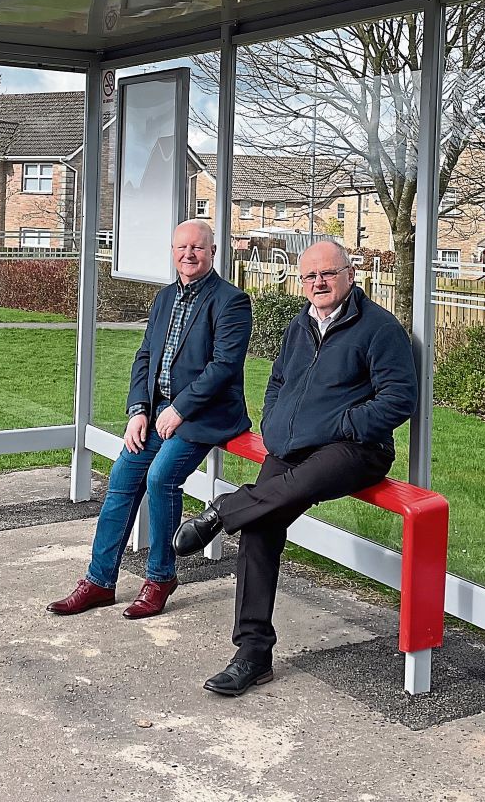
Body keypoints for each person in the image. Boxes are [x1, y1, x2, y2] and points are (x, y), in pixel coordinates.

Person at [173, 239, 416, 695]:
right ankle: (252, 654)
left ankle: (224, 509)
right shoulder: (298, 326)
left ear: (350, 274)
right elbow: (278, 380)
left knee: (254, 509)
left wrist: (343, 424)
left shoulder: (380, 329)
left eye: (328, 273)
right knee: (260, 527)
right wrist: (275, 421)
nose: (318, 283)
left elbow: (399, 400)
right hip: (292, 447)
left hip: (355, 449)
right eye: (309, 276)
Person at [48, 219, 252, 620]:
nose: (188, 254)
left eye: (197, 247)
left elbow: (225, 366)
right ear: (173, 252)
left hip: (202, 416)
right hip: (157, 414)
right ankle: (99, 580)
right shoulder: (163, 299)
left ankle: (160, 577)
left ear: (213, 252)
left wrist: (180, 409)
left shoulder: (231, 301)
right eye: (181, 247)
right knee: (122, 480)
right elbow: (145, 357)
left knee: (160, 479)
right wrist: (138, 409)